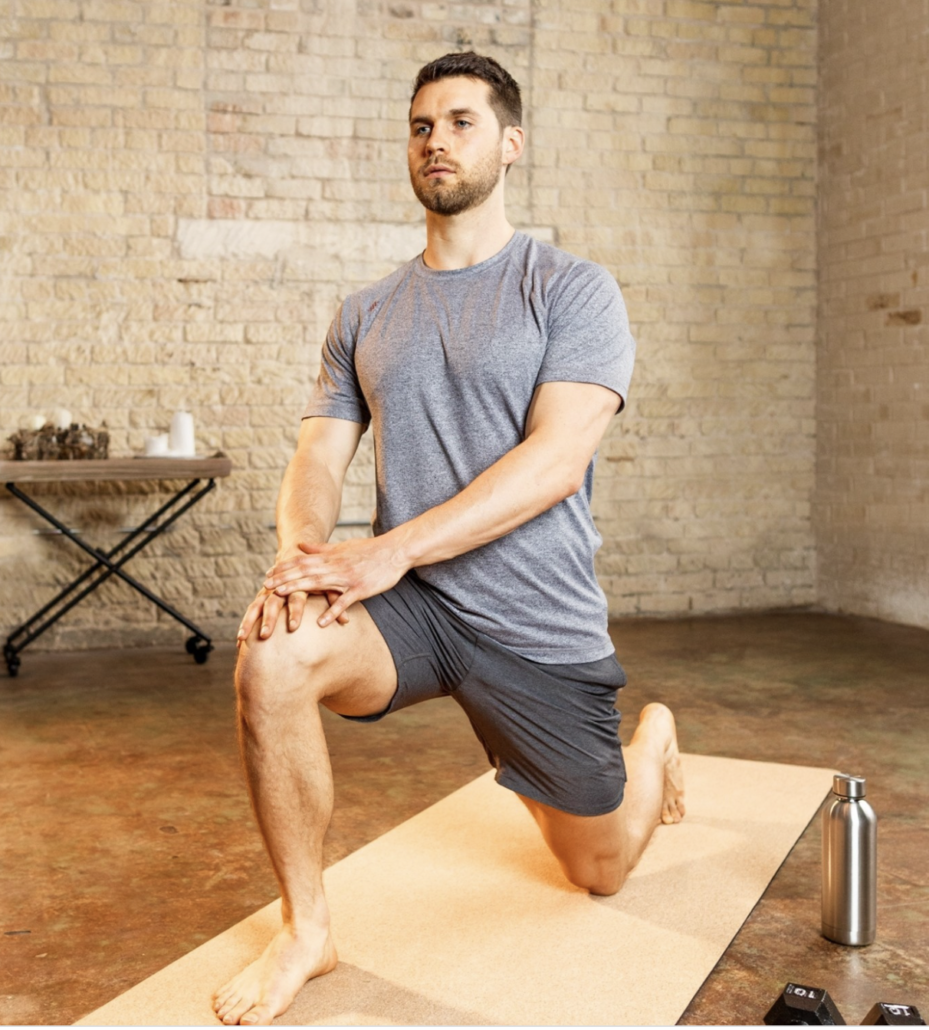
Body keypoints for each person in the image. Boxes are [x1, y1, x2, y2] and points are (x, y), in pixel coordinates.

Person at [212, 51, 685, 1028]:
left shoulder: (572, 289)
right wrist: (303, 555)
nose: (436, 140)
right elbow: (314, 458)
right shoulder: (367, 312)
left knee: (595, 869)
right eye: (422, 124)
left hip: (534, 621)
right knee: (271, 655)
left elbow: (554, 461)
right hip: (414, 613)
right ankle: (308, 928)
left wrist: (387, 549)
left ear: (509, 144)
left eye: (462, 121)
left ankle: (652, 746)